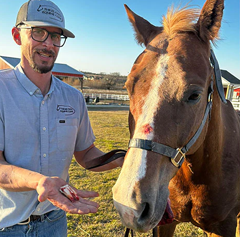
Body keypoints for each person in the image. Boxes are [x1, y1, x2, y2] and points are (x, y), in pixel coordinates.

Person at [0, 0, 123, 236]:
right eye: (38, 33)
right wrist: (40, 182)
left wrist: (122, 159)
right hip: (7, 226)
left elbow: (86, 154)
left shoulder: (73, 98)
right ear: (17, 36)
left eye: (56, 37)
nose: (48, 44)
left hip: (55, 222)